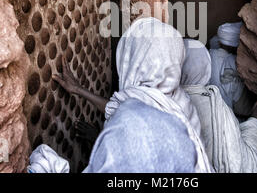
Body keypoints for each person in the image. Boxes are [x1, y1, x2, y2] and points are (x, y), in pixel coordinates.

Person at [53, 17, 213, 173]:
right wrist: (79, 90)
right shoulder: (181, 101)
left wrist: (103, 142)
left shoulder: (133, 121)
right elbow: (120, 107)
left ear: (139, 59)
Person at [181, 38, 257, 173]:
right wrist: (256, 122)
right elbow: (238, 163)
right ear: (206, 65)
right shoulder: (214, 106)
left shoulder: (165, 101)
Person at [209, 22, 256, 117]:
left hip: (207, 110)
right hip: (228, 116)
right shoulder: (235, 62)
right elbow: (242, 108)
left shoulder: (208, 54)